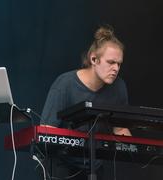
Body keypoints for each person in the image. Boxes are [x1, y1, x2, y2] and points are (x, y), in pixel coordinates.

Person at [40, 25, 131, 180]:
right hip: (63, 167)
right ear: (94, 59)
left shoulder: (119, 87)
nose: (116, 68)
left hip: (96, 166)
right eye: (111, 62)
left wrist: (137, 147)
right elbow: (46, 130)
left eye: (119, 64)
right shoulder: (65, 84)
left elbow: (120, 128)